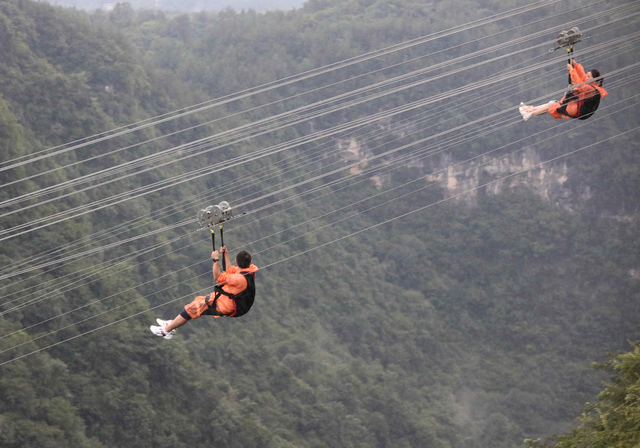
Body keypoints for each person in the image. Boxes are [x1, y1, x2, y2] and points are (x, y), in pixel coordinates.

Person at [150, 247, 258, 339]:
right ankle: (172, 324)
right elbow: (231, 270)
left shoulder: (239, 279)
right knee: (197, 302)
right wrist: (226, 255)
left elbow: (218, 277)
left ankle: (167, 331)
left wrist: (215, 260)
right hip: (227, 300)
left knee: (192, 308)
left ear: (237, 261)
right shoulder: (248, 271)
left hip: (226, 305)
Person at [519, 59, 607, 121]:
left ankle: (530, 114)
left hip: (576, 110)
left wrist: (572, 70)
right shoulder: (593, 86)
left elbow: (580, 85)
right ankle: (530, 110)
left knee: (553, 105)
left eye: (589, 77)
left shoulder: (592, 90)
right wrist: (576, 65)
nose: (586, 78)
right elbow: (583, 77)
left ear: (594, 80)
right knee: (552, 103)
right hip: (576, 109)